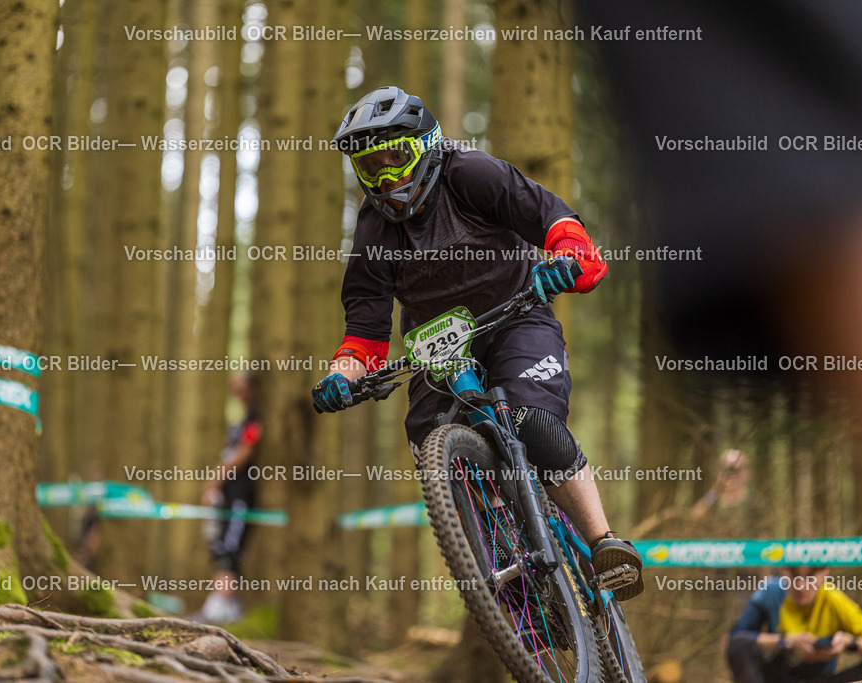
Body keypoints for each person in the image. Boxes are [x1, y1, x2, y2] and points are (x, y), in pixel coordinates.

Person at [310, 85, 643, 599]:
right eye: (370, 167)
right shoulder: (373, 231)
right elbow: (364, 336)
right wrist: (341, 377)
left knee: (530, 420)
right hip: (438, 350)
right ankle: (519, 606)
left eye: (393, 159)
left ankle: (604, 545)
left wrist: (568, 259)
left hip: (517, 317)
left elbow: (552, 218)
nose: (385, 177)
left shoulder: (470, 173)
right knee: (435, 456)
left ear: (424, 146)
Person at [727, 566, 862, 682]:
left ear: (824, 574)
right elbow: (738, 640)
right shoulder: (769, 593)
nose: (801, 586)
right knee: (738, 645)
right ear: (784, 572)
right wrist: (787, 641)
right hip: (776, 675)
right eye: (794, 575)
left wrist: (848, 642)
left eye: (809, 577)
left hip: (822, 678)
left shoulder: (833, 599)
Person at [194, 372, 261, 624]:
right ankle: (227, 610)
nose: (238, 393)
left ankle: (217, 610)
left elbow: (246, 450)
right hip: (228, 495)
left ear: (253, 388)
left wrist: (216, 477)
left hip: (241, 495)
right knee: (220, 547)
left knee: (229, 552)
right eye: (234, 388)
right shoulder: (240, 420)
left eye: (242, 387)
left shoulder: (255, 419)